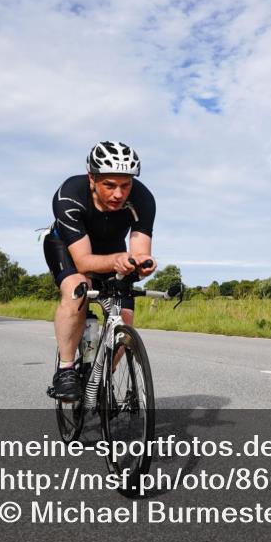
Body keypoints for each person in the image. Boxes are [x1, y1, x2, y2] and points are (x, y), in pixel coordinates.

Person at [43, 141, 157, 399]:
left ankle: (100, 375)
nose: (119, 194)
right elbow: (83, 261)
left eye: (125, 185)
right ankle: (66, 370)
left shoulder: (143, 199)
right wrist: (118, 259)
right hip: (68, 247)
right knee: (77, 289)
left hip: (112, 251)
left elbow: (139, 250)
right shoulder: (69, 195)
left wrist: (142, 264)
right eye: (110, 185)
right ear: (92, 178)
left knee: (125, 317)